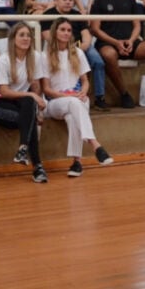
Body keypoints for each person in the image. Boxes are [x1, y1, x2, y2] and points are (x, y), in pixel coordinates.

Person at [41, 18, 114, 178]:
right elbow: (46, 89)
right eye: (63, 30)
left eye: (69, 30)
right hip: (55, 102)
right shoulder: (45, 56)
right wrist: (69, 95)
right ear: (55, 32)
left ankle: (77, 162)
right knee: (74, 103)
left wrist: (83, 92)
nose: (66, 33)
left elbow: (85, 81)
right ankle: (95, 144)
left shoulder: (78, 52)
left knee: (73, 114)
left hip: (77, 98)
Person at [0, 22, 48, 182]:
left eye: (28, 35)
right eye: (21, 35)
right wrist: (32, 97)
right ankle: (37, 167)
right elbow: (3, 91)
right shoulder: (3, 60)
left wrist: (38, 107)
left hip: (22, 103)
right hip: (1, 103)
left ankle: (23, 150)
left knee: (29, 106)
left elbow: (36, 86)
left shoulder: (35, 57)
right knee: (29, 115)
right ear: (13, 39)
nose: (26, 38)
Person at [41, 0, 109, 111]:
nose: (68, 2)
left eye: (71, 0)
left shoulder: (77, 14)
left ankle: (99, 98)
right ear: (56, 0)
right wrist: (67, 48)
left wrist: (78, 50)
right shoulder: (47, 15)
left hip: (79, 46)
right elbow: (47, 36)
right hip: (58, 47)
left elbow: (86, 36)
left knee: (98, 61)